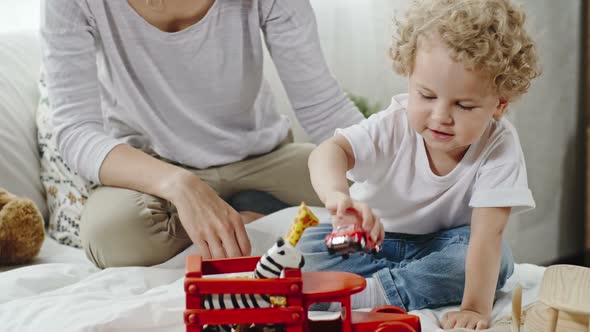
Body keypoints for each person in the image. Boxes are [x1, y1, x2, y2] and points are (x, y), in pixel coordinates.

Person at [40, 0, 365, 269]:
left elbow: (322, 106)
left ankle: (243, 220)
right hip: (152, 173)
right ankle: (261, 219)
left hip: (264, 159)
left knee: (365, 190)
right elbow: (76, 130)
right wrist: (179, 185)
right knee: (109, 236)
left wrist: (395, 162)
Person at [298, 0, 540, 329]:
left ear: (498, 105)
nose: (440, 116)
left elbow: (487, 236)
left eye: (464, 105)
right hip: (373, 243)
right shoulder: (393, 125)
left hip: (443, 248)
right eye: (426, 95)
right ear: (409, 78)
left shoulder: (499, 146)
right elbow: (329, 151)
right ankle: (371, 286)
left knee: (496, 263)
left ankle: (373, 293)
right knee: (307, 249)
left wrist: (474, 308)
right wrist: (337, 195)